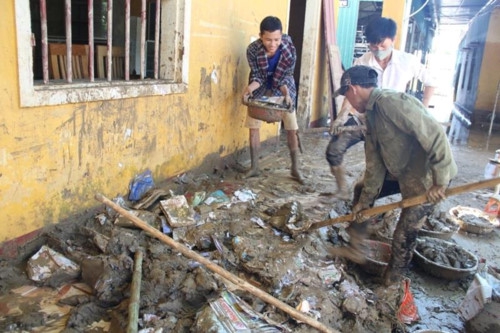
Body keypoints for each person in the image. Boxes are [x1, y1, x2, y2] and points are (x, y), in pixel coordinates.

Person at [332, 65, 457, 286]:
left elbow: (435, 133)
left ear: (353, 89)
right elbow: (375, 165)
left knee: (403, 235)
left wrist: (441, 181)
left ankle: (393, 282)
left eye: (346, 95)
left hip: (427, 180)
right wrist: (365, 203)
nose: (348, 102)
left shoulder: (392, 103)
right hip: (402, 173)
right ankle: (357, 248)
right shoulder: (370, 116)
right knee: (361, 190)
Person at [326, 17, 438, 199]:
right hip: (363, 119)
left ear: (392, 40)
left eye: (382, 45)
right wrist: (341, 117)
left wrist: (422, 109)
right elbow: (350, 92)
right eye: (373, 46)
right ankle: (342, 190)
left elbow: (431, 82)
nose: (378, 50)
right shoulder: (362, 62)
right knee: (334, 149)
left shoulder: (407, 61)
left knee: (383, 166)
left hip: (391, 125)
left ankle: (376, 203)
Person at [242, 16, 304, 184]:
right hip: (260, 87)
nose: (273, 44)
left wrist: (287, 95)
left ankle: (295, 168)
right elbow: (258, 76)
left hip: (284, 87)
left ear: (281, 36)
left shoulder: (289, 50)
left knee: (291, 126)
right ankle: (255, 167)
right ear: (260, 36)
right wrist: (248, 90)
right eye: (268, 40)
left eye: (277, 39)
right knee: (253, 126)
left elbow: (284, 77)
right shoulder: (252, 50)